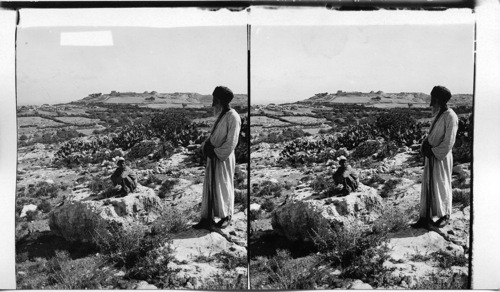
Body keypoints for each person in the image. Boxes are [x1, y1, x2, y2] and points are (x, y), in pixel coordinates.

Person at [193, 86, 241, 230]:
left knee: (223, 185)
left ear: (221, 100)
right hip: (213, 157)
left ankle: (227, 216)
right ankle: (207, 218)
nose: (213, 104)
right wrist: (205, 147)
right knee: (210, 185)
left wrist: (216, 152)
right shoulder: (222, 115)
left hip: (223, 159)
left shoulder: (233, 116)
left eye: (215, 100)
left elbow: (232, 142)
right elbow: (214, 135)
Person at [412, 86, 458, 229]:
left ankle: (445, 215)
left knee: (441, 184)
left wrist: (434, 151)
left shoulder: (451, 116)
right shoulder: (440, 114)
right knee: (428, 184)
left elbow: (449, 142)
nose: (431, 102)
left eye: (433, 99)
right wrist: (424, 146)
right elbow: (432, 135)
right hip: (431, 156)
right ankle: (425, 217)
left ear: (438, 99)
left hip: (441, 158)